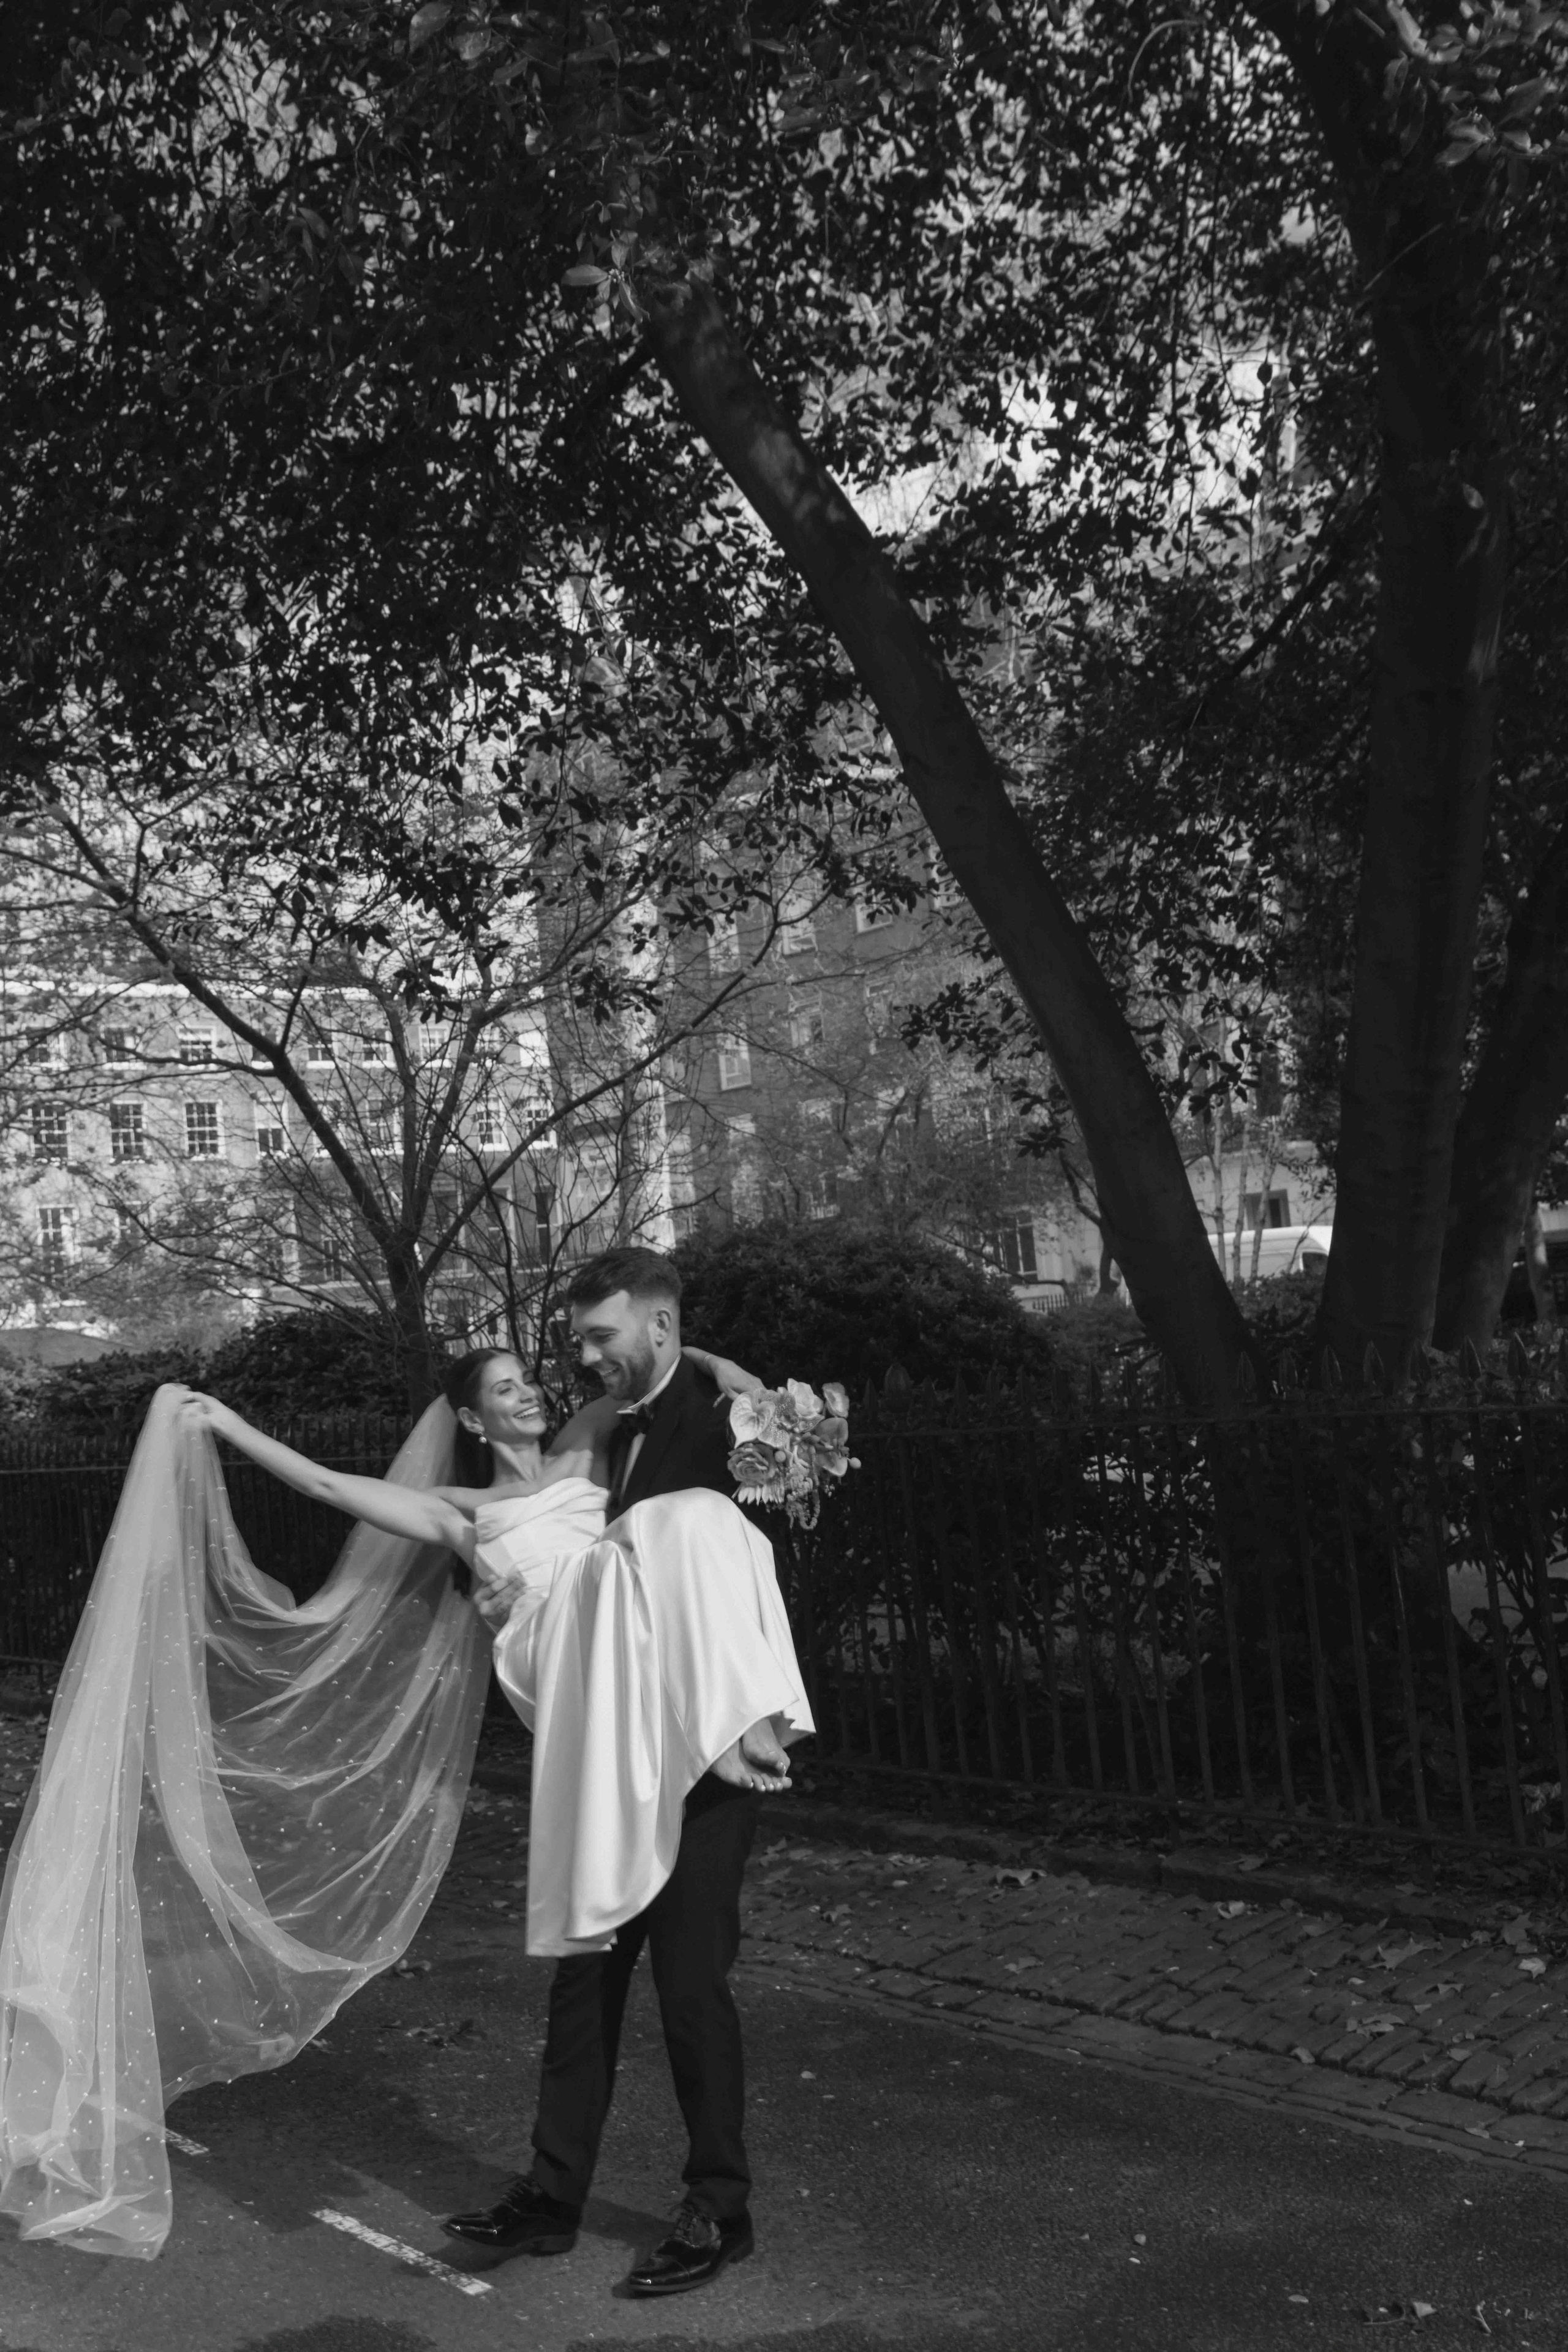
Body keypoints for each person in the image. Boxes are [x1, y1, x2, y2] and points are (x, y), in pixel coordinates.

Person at [443, 1248, 799, 2296]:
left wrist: (740, 1382)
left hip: (711, 1747)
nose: (584, 1357)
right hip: (612, 1750)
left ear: (658, 1322)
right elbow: (569, 1560)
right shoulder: (605, 1437)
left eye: (602, 1336)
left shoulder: (743, 1424)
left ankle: (719, 2211)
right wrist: (524, 1604)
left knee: (691, 1988)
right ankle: (552, 2199)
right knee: (584, 1980)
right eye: (579, 1339)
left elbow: (760, 1569)